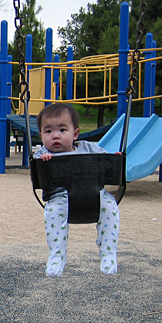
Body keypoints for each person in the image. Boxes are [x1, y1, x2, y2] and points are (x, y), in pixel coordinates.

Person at [33, 103, 119, 277]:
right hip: (59, 198)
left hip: (95, 197)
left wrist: (114, 159)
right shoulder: (43, 154)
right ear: (41, 136)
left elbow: (106, 160)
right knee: (52, 213)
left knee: (111, 207)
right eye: (48, 131)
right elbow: (37, 165)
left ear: (75, 134)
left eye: (62, 130)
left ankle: (108, 253)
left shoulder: (89, 148)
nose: (55, 135)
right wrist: (44, 160)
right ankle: (57, 256)